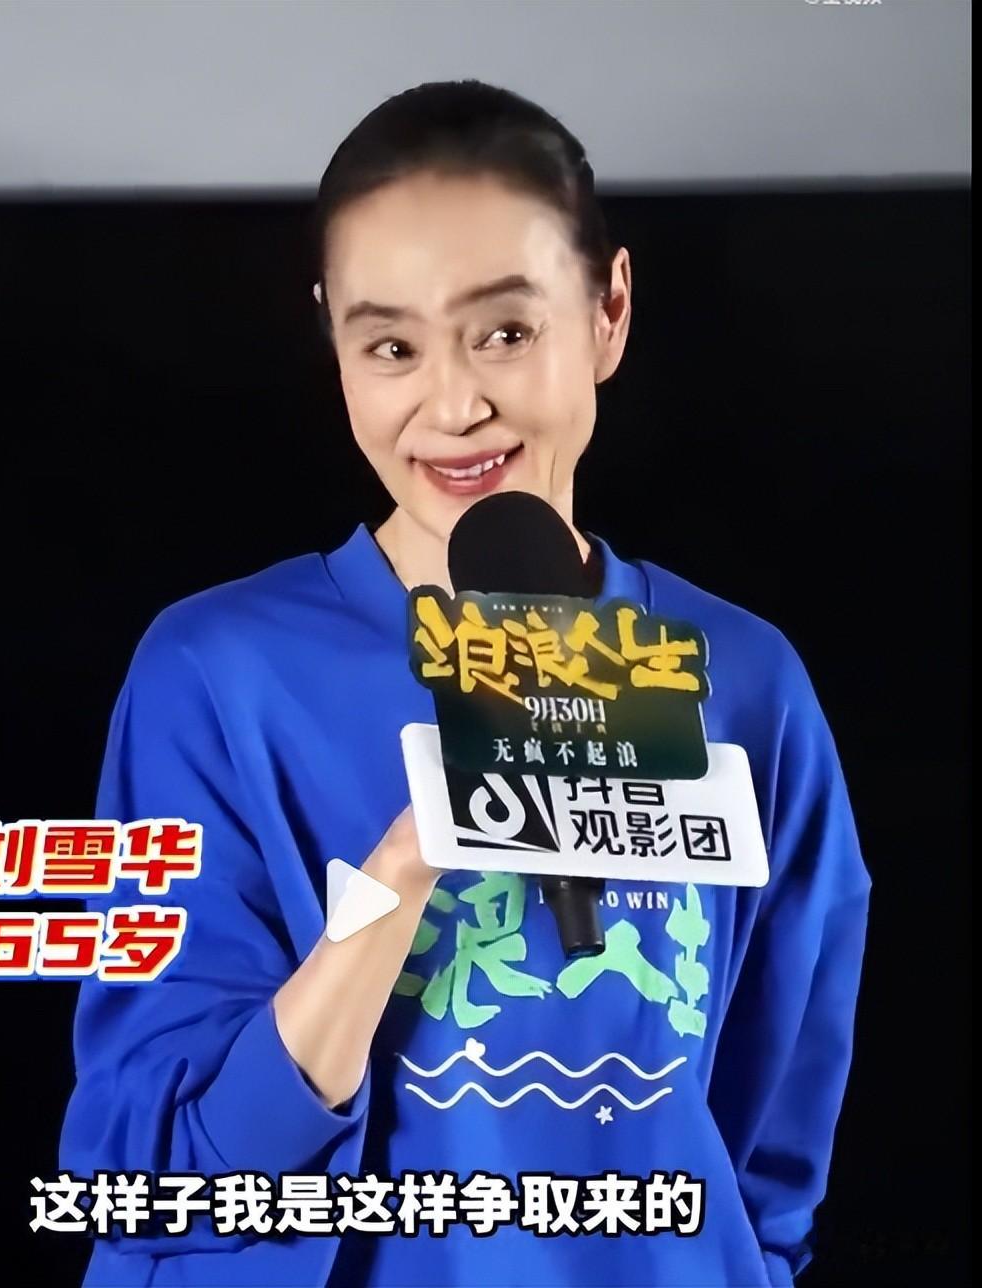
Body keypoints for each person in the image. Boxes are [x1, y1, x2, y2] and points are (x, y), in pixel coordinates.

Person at [59, 79, 871, 1287]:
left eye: (503, 332)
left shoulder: (745, 680)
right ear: (334, 342)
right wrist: (395, 880)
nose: (452, 405)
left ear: (607, 311)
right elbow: (158, 1168)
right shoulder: (217, 675)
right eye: (390, 346)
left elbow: (767, 1167)